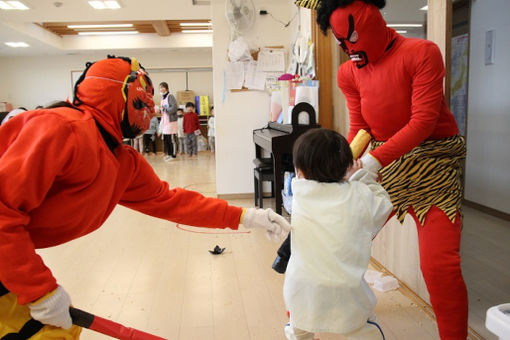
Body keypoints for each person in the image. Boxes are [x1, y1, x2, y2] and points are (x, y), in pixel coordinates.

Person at [0, 56, 290, 339]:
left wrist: (246, 216)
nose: (151, 105)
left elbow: (172, 202)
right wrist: (40, 290)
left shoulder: (122, 160)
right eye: (145, 94)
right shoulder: (62, 129)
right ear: (118, 91)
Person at [292, 1, 467, 338]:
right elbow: (362, 127)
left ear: (371, 21)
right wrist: (339, 167)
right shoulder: (348, 73)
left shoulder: (422, 53)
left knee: (439, 266)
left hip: (435, 165)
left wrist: (373, 161)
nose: (349, 49)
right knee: (331, 236)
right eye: (341, 42)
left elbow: (423, 121)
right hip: (386, 163)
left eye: (352, 37)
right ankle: (306, 316)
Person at [284, 128, 392, 340]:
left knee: (300, 328)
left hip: (301, 290)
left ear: (300, 173)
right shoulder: (358, 194)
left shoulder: (299, 194)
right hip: (346, 293)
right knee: (362, 330)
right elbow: (383, 205)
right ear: (345, 168)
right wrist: (362, 176)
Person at [159, 82, 178, 160]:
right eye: (160, 87)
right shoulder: (162, 98)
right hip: (165, 121)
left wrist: (164, 109)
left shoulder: (170, 96)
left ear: (166, 88)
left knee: (171, 139)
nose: (161, 89)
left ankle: (173, 155)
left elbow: (174, 108)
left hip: (171, 121)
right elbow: (162, 109)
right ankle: (169, 154)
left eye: (163, 87)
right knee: (166, 138)